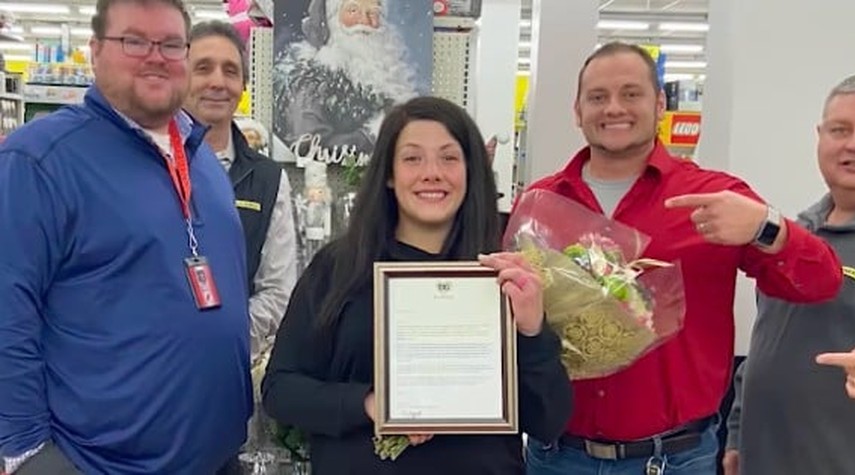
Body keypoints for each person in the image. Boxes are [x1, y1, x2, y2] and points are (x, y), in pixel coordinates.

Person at [520, 41, 842, 475]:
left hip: (672, 459)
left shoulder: (713, 199)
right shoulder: (540, 204)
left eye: (631, 94)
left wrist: (769, 227)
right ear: (578, 111)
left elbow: (821, 283)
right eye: (598, 97)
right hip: (555, 457)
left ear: (660, 105)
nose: (614, 108)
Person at [0, 1, 252, 473]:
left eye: (171, 44)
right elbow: (6, 316)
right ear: (95, 52)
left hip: (216, 459)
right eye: (134, 41)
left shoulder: (201, 159)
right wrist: (27, 455)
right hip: (100, 464)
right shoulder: (40, 161)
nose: (155, 56)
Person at [261, 96, 573, 474]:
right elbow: (281, 390)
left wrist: (532, 331)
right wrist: (371, 404)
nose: (432, 173)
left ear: (472, 171)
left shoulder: (504, 272)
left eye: (449, 158)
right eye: (412, 158)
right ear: (389, 175)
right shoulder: (339, 268)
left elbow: (548, 421)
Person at [723, 73, 855, 475]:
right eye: (840, 129)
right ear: (820, 137)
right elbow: (766, 342)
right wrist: (737, 433)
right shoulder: (800, 232)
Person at [184, 20, 298, 363]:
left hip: (231, 364)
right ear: (179, 77)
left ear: (242, 85)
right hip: (152, 368)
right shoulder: (147, 167)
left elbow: (278, 290)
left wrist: (224, 337)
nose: (217, 81)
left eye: (230, 71)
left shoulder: (269, 179)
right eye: (203, 68)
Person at [273, 0, 419, 157]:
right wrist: (370, 135)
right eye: (353, 10)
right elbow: (308, 146)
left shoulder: (386, 77)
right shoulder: (312, 81)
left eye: (373, 13)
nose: (364, 21)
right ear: (332, 20)